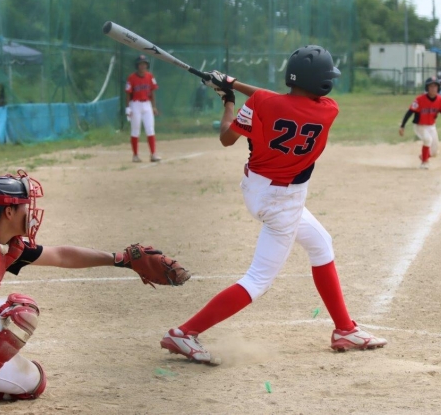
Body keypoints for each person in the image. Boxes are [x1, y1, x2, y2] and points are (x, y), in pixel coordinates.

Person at [160, 45, 387, 365]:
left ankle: (345, 330)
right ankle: (184, 333)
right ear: (320, 82)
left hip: (258, 191)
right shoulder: (328, 110)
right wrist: (233, 84)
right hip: (283, 203)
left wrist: (229, 98)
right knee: (257, 280)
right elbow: (278, 101)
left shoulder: (261, 104)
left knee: (321, 244)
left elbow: (227, 136)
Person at [0, 170, 187, 414]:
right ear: (8, 212)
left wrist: (120, 259)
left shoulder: (4, 245)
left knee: (33, 382)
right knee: (20, 310)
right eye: (25, 205)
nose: (31, 212)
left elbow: (62, 255)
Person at [399, 77, 441, 169]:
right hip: (419, 126)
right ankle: (424, 162)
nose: (433, 88)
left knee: (434, 153)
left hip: (431, 126)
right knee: (428, 139)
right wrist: (402, 126)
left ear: (438, 88)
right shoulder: (420, 99)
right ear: (427, 88)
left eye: (435, 86)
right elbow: (410, 112)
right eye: (431, 86)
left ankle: (424, 156)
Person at [126, 55, 161, 163]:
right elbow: (128, 93)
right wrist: (128, 107)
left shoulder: (150, 76)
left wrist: (154, 106)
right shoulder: (131, 77)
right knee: (135, 130)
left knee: (150, 129)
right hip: (135, 104)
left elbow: (152, 92)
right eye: (140, 64)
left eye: (144, 64)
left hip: (147, 104)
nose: (143, 66)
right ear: (137, 66)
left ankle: (153, 154)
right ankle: (135, 155)